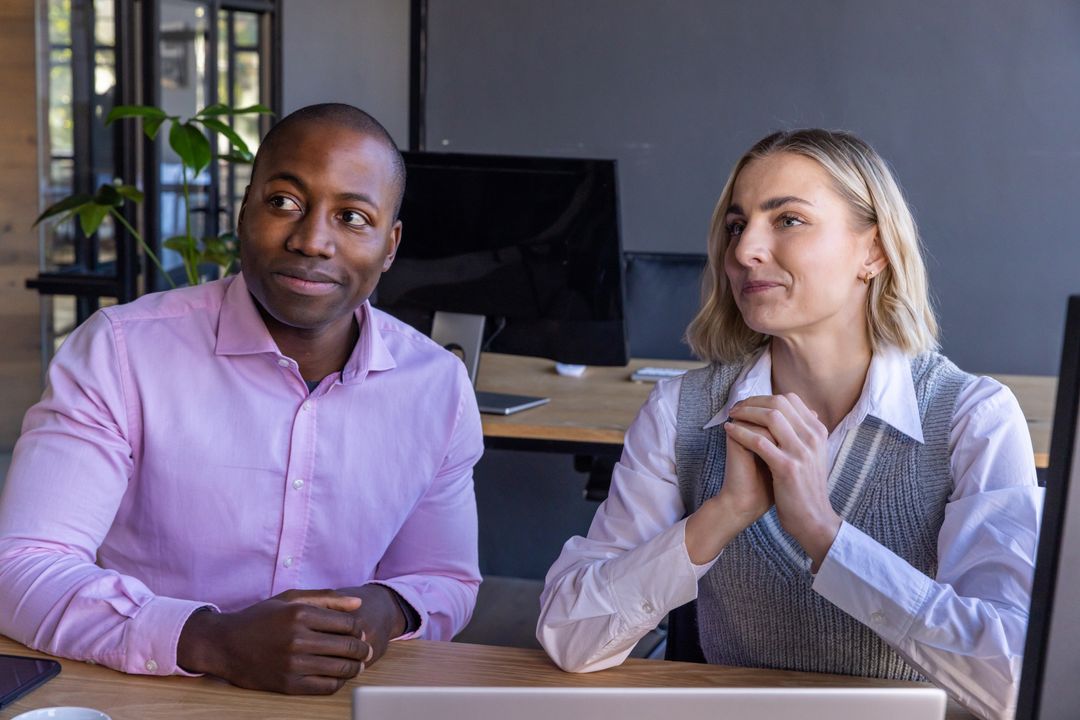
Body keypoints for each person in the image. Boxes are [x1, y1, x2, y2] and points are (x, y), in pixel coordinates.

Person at [537, 129, 1041, 720]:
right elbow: (569, 637)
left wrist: (825, 536)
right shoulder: (681, 411)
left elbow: (1011, 678)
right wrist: (721, 515)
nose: (745, 250)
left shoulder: (972, 418)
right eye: (735, 226)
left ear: (872, 251)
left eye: (788, 221)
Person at [0, 103, 483, 695]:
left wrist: (388, 609)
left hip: (336, 702)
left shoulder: (438, 387)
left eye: (352, 217)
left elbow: (443, 579)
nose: (312, 241)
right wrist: (210, 640)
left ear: (390, 245)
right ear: (242, 211)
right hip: (147, 699)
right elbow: (23, 566)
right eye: (284, 202)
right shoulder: (121, 353)